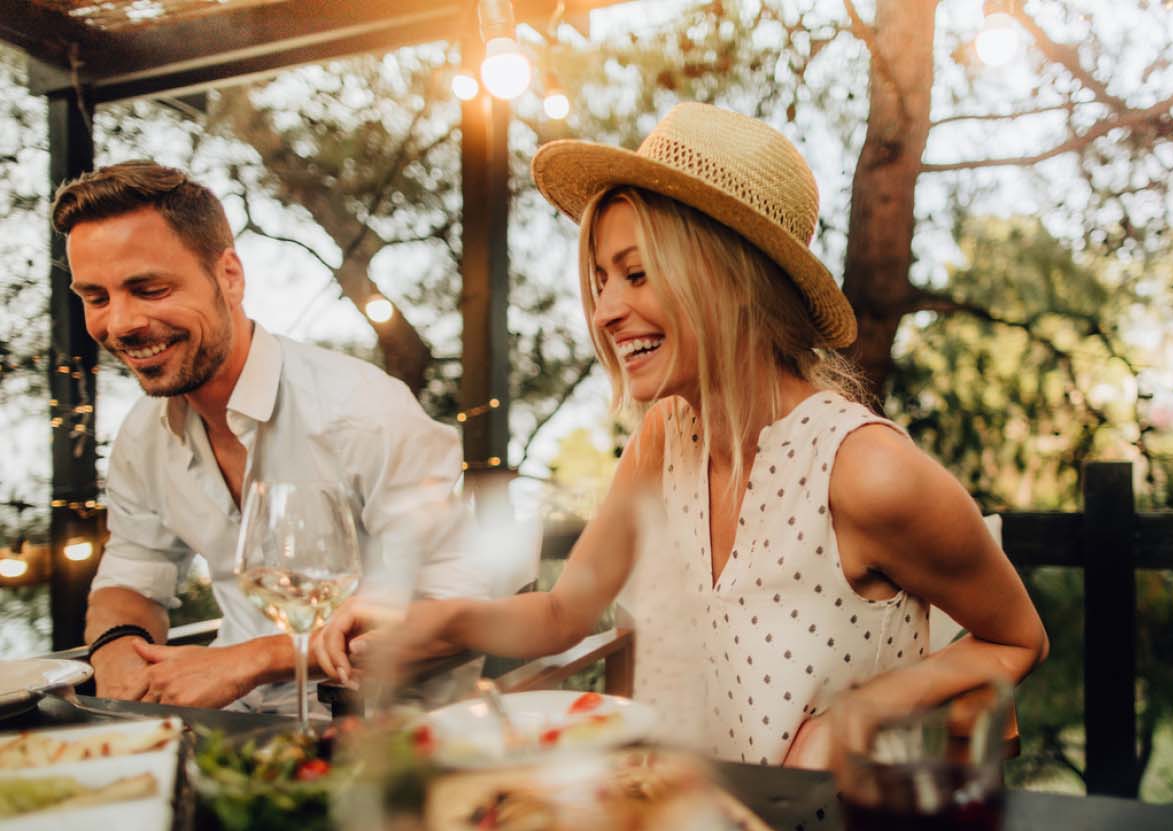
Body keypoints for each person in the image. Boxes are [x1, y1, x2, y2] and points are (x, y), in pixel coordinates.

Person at [316, 103, 1048, 767]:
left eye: (635, 274)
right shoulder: (666, 435)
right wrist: (432, 619)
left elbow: (1017, 639)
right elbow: (562, 612)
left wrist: (857, 716)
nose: (604, 311)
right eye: (602, 279)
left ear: (731, 280)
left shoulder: (866, 471)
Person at [53, 161, 485, 712]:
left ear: (229, 276)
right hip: (227, 730)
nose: (119, 324)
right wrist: (115, 650)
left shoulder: (363, 413)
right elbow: (133, 579)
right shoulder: (143, 435)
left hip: (389, 737)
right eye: (96, 298)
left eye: (151, 289)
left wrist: (257, 658)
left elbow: (458, 611)